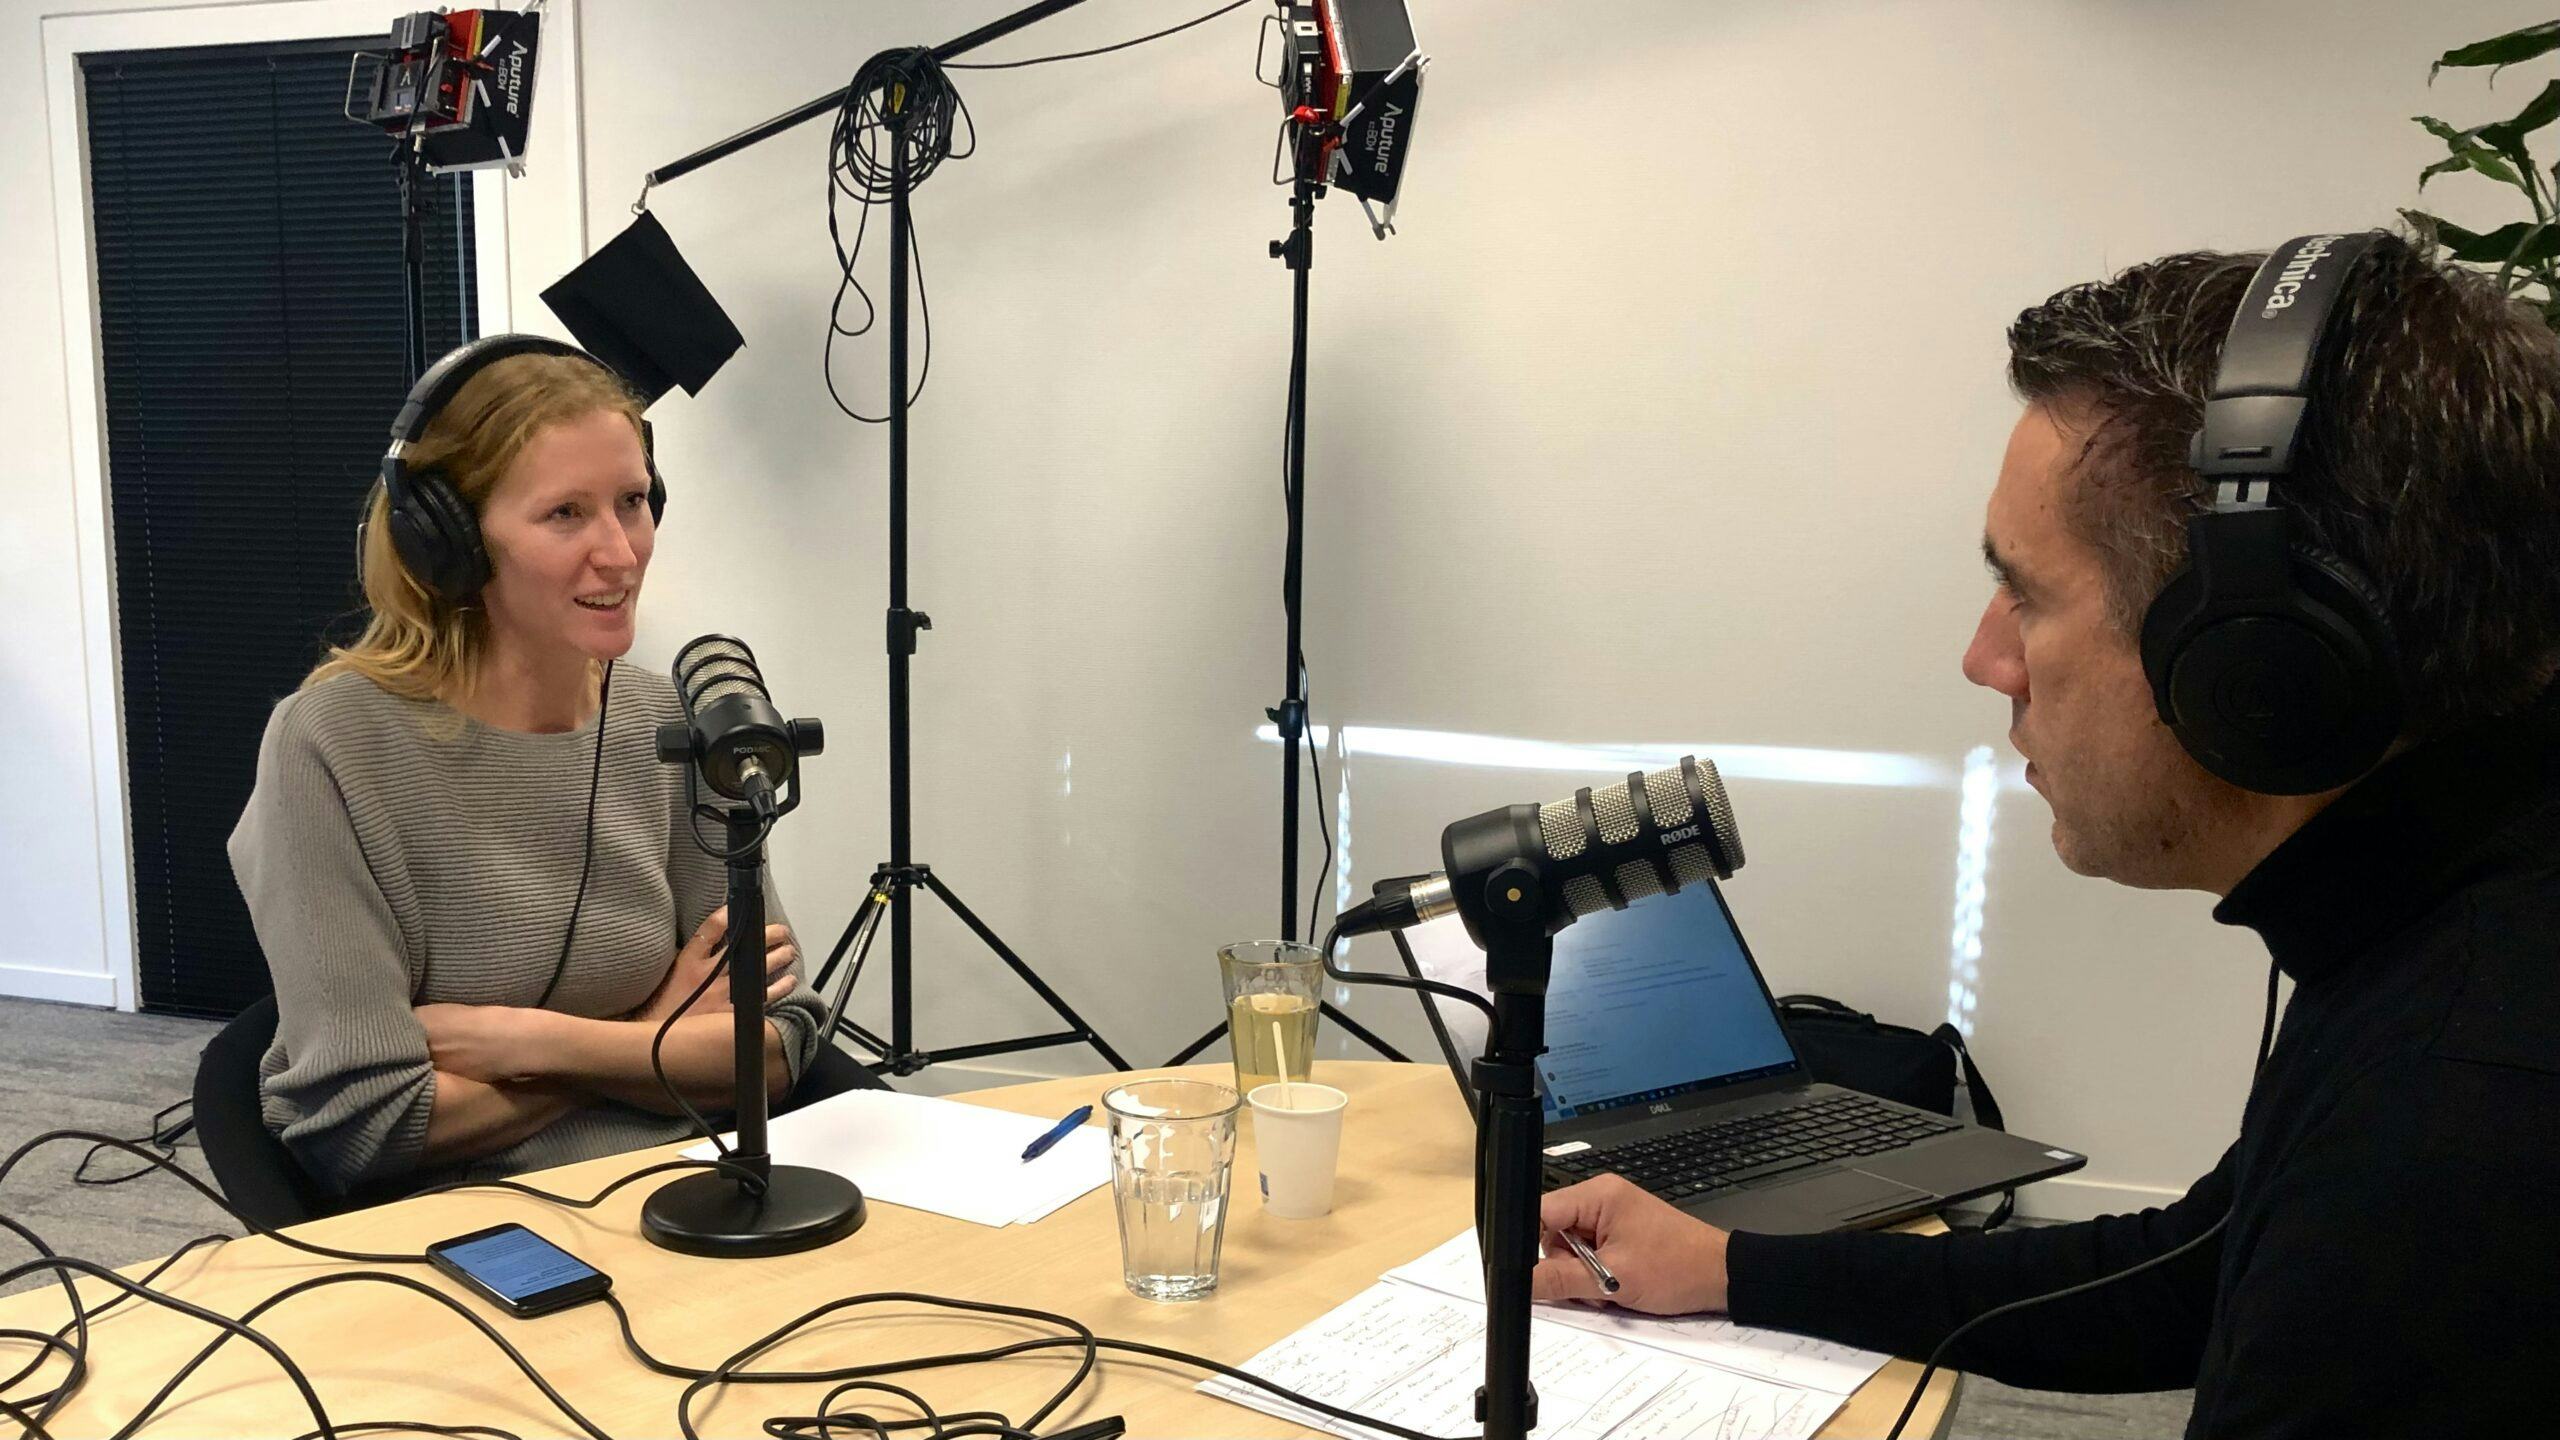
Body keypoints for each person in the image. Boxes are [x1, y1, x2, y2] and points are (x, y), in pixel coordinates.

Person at [1530, 233, 2560, 1436]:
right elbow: (2187, 1277)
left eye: (2026, 593)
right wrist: (1728, 1267)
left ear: (2251, 666)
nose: (1986, 659)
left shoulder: (2456, 1121)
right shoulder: (2433, 913)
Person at [228, 340, 843, 1197]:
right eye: (565, 514)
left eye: (632, 502)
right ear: (450, 540)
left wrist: (534, 1044)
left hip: (701, 1188)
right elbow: (364, 1125)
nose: (621, 553)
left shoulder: (673, 721)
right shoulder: (331, 745)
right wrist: (657, 1034)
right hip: (478, 1225)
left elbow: (775, 1049)